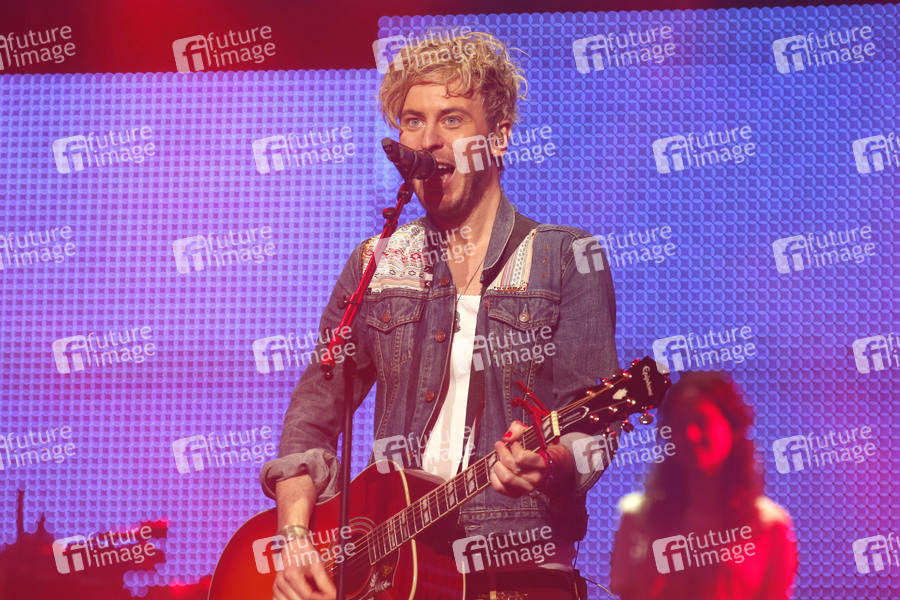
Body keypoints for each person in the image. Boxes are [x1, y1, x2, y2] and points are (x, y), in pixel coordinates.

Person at [260, 29, 618, 600]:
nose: (428, 141)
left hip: (515, 578)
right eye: (413, 121)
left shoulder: (565, 258)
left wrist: (549, 465)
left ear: (498, 137)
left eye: (452, 119)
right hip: (392, 577)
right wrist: (297, 537)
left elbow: (594, 429)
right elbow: (313, 414)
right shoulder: (377, 262)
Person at [609, 371, 797, 600]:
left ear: (732, 428)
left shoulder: (770, 525)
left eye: (701, 422)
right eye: (679, 425)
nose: (691, 435)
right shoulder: (637, 516)